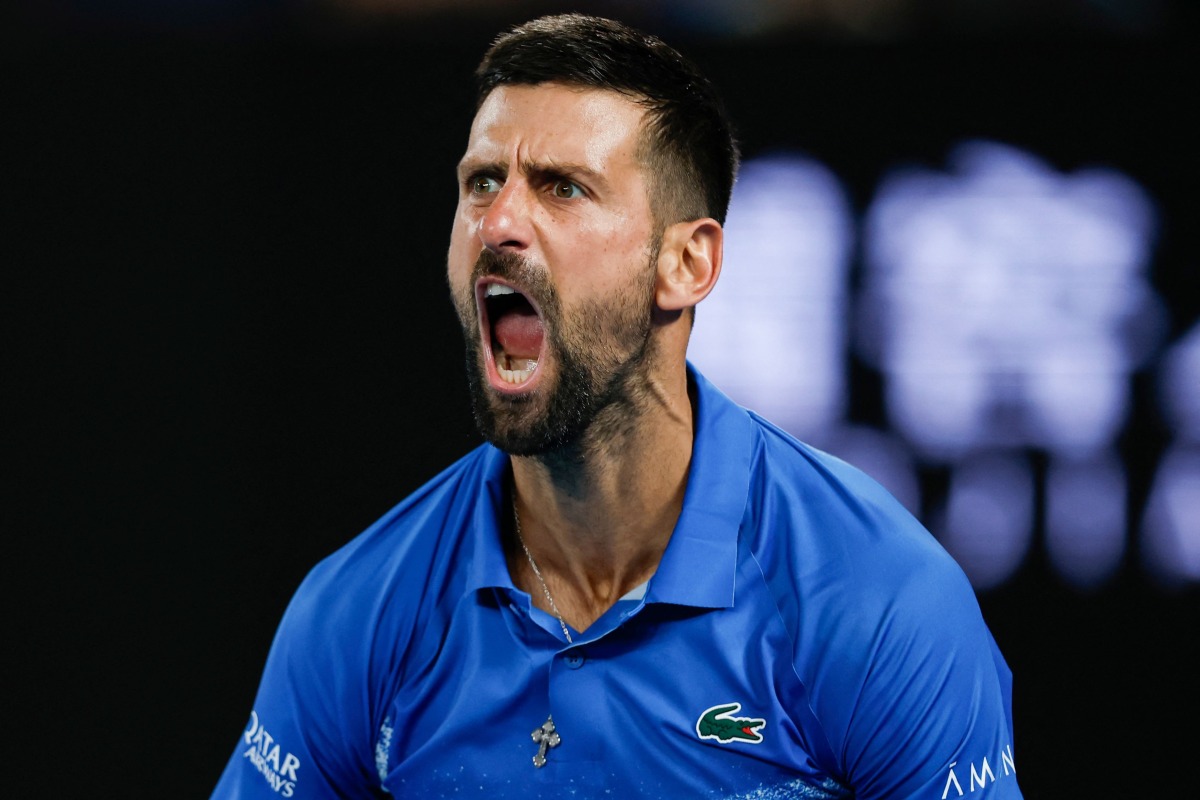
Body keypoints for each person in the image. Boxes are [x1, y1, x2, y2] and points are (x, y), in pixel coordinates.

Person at [213, 13, 1022, 799]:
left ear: (687, 263)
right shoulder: (360, 612)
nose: (497, 223)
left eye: (563, 189)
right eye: (482, 182)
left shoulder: (877, 602)